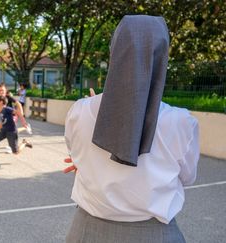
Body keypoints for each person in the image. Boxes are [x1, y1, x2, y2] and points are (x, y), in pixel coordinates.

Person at [64, 15, 199, 243]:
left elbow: (76, 157)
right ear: (161, 55)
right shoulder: (181, 122)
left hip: (86, 232)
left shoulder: (80, 111)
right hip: (154, 234)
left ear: (115, 50)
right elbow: (186, 178)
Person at [0, 95, 32, 164]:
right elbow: (3, 122)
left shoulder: (7, 109)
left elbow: (18, 112)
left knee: (16, 152)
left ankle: (24, 143)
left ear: (1, 102)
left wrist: (23, 122)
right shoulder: (0, 111)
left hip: (11, 132)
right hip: (4, 130)